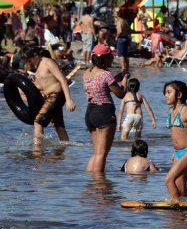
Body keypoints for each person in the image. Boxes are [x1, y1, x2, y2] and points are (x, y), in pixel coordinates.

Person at [83, 44, 128, 172]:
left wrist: (117, 77)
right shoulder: (106, 75)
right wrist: (124, 79)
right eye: (111, 57)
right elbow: (121, 94)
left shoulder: (87, 73)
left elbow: (101, 84)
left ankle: (90, 181)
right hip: (104, 113)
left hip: (91, 112)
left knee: (96, 152)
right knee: (102, 153)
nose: (112, 59)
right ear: (106, 59)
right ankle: (99, 185)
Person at [20, 46, 77, 143]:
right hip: (48, 97)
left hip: (56, 95)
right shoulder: (37, 68)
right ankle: (66, 148)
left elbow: (62, 79)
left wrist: (68, 100)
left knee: (38, 122)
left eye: (29, 60)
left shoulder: (48, 62)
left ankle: (37, 151)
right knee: (58, 125)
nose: (28, 63)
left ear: (35, 55)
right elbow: (42, 86)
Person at [163, 80, 187, 200]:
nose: (166, 95)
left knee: (169, 179)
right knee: (180, 189)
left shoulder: (186, 112)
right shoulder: (171, 111)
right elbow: (175, 134)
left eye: (169, 92)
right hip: (177, 153)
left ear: (179, 95)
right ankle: (185, 212)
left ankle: (175, 207)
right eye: (165, 93)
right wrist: (174, 152)